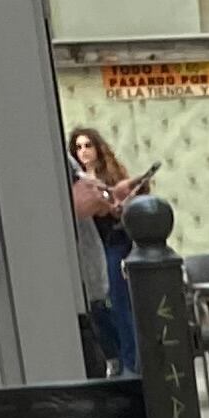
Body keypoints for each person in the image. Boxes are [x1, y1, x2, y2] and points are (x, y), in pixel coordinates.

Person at [68, 128, 145, 374]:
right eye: (79, 147)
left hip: (112, 242)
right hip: (90, 254)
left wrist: (114, 200)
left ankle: (129, 361)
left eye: (88, 145)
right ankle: (120, 359)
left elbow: (110, 207)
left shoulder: (106, 174)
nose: (83, 152)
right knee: (105, 310)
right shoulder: (76, 173)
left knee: (118, 304)